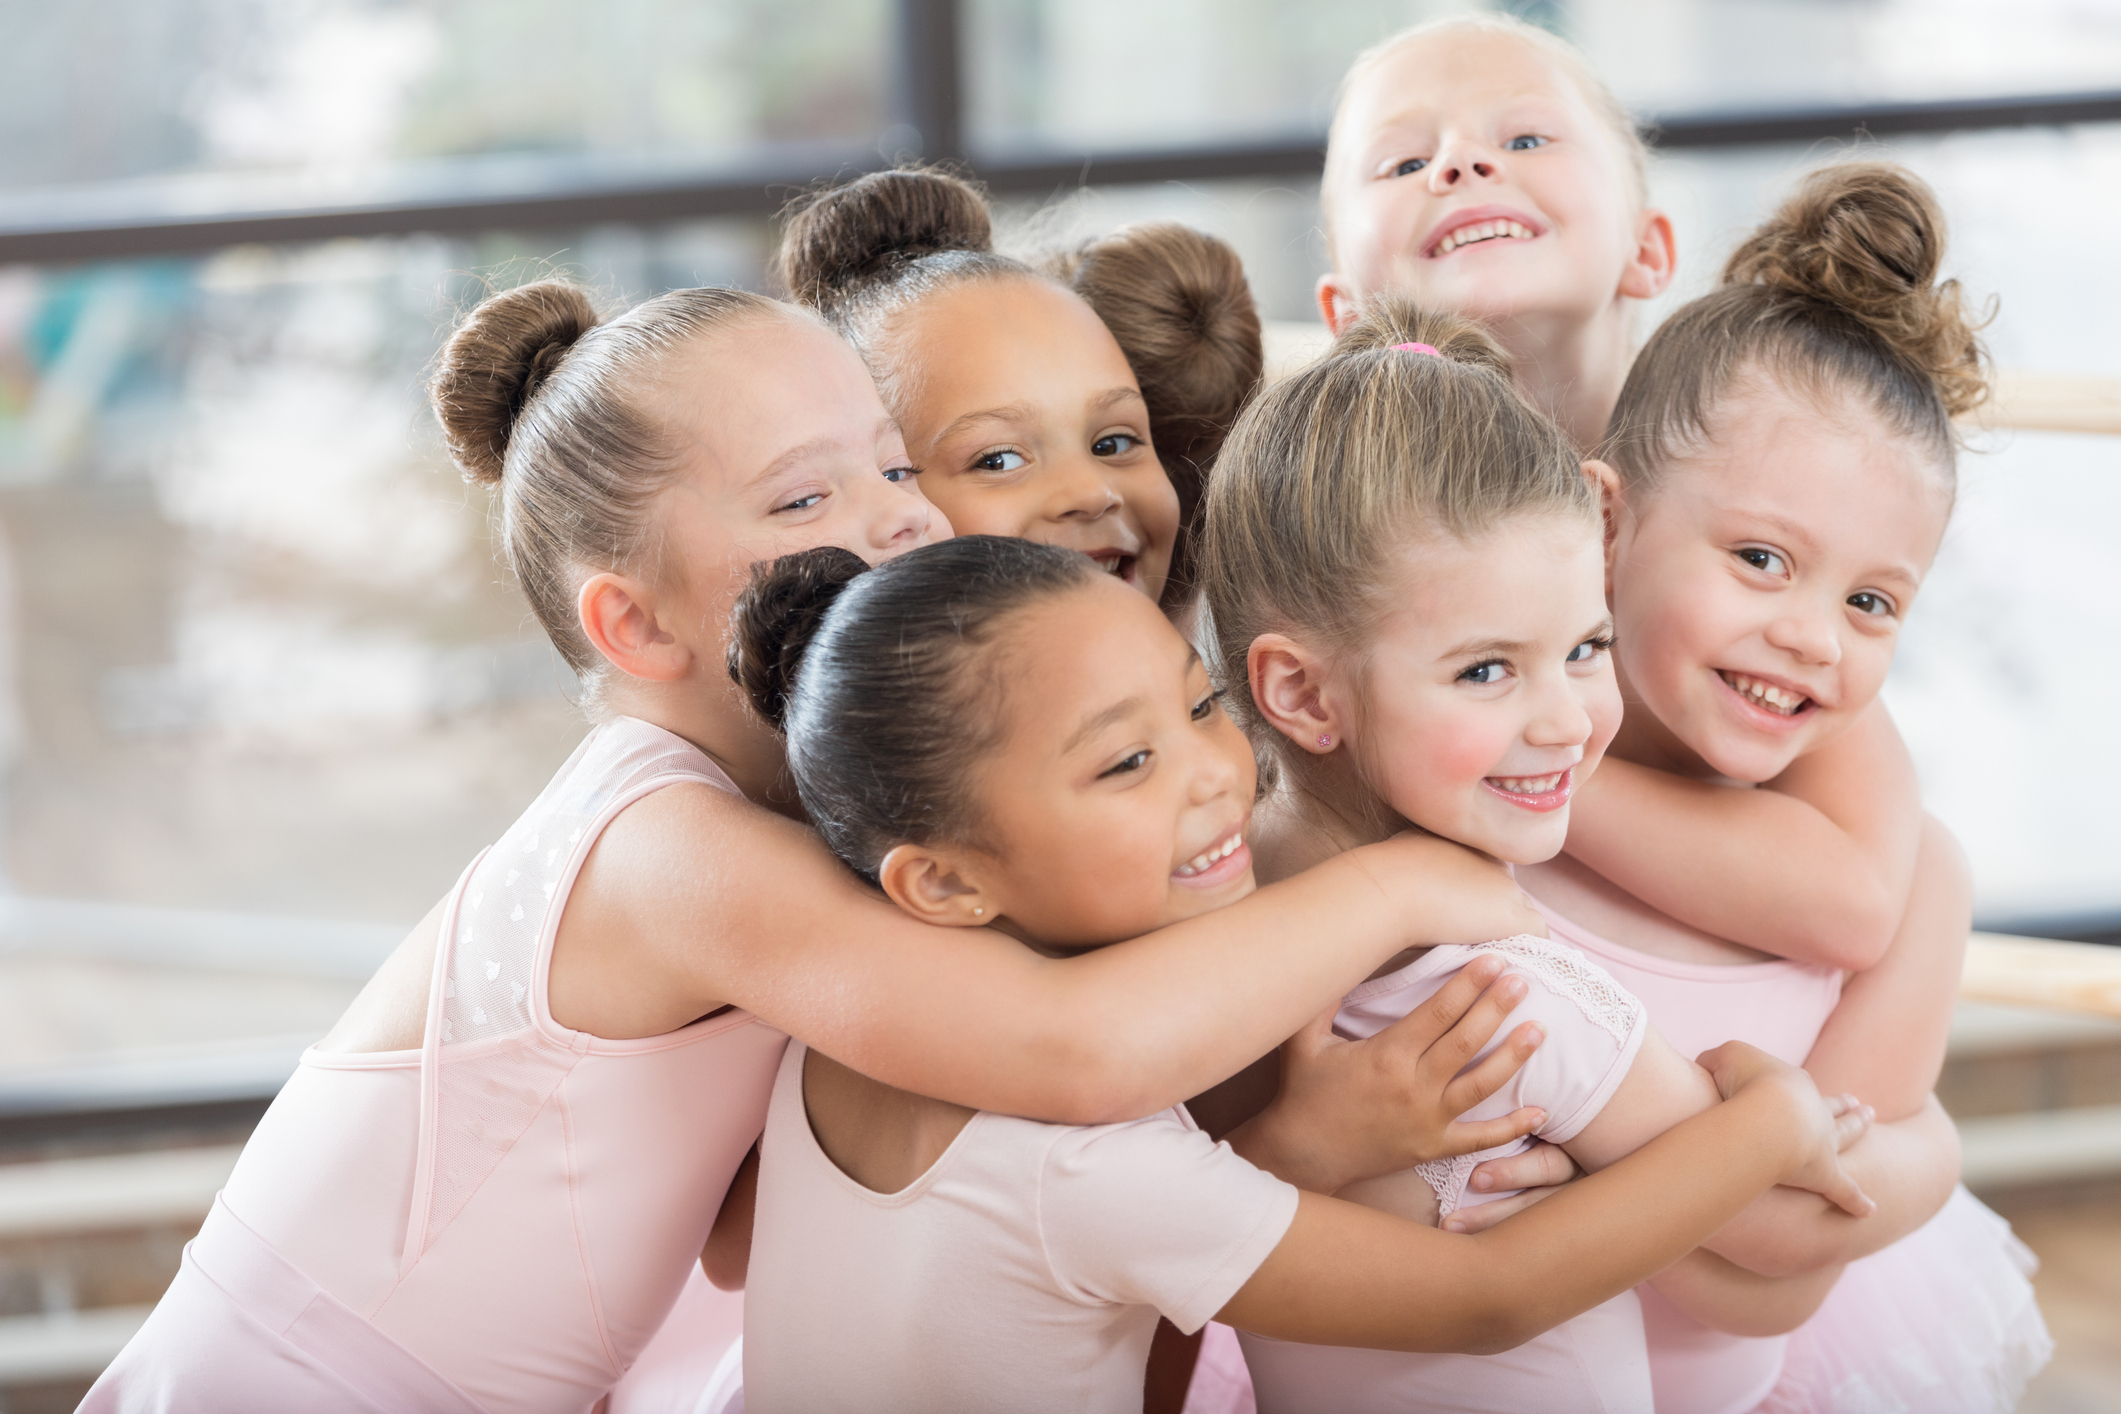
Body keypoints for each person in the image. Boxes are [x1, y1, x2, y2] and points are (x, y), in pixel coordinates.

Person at [83, 280, 1557, 1413]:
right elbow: (1071, 1049)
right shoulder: (668, 844)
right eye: (805, 499)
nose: (893, 523)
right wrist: (1398, 879)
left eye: (891, 467)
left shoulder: (821, 823)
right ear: (633, 622)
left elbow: (752, 1223)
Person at [725, 532, 1872, 1414]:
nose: (1218, 775)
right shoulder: (1079, 1156)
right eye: (1126, 761)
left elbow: (1083, 1301)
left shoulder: (852, 1040)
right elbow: (1489, 1300)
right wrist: (1771, 1121)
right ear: (942, 879)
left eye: (1202, 706)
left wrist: (1293, 1154)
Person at [1192, 301, 1875, 1413]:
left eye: (1585, 646)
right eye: (1485, 671)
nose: (1566, 718)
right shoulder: (1503, 1007)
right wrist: (1779, 1112)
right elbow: (1788, 1238)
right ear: (1302, 692)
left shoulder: (1191, 928)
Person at [1510, 162, 2053, 1411]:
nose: (1816, 635)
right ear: (1607, 523)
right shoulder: (1470, 799)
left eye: (1872, 600)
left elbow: (1780, 1262)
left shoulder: (1916, 880)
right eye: (1763, 558)